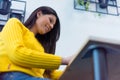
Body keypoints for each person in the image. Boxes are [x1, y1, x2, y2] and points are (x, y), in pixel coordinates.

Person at [0, 6, 72, 80]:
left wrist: (76, 71)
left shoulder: (40, 47)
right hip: (11, 74)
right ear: (39, 14)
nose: (51, 26)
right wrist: (64, 60)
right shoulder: (15, 24)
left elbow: (50, 74)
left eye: (53, 25)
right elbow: (17, 53)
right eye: (50, 20)